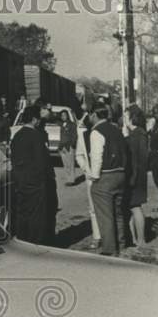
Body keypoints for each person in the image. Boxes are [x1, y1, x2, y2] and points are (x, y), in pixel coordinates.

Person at [80, 104, 127, 256]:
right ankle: (121, 245)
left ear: (94, 115)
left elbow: (97, 156)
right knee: (118, 213)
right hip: (120, 174)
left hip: (105, 176)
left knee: (105, 216)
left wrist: (94, 176)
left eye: (89, 114)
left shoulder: (96, 132)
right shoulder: (116, 129)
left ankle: (109, 250)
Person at [10, 104, 57, 245]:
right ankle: (36, 243)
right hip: (35, 182)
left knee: (22, 212)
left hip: (20, 180)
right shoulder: (36, 136)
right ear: (35, 119)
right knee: (37, 215)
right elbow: (41, 161)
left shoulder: (17, 135)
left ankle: (22, 241)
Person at [74, 106, 101, 247]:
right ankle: (97, 236)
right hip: (90, 177)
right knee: (93, 208)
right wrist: (85, 168)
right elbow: (78, 155)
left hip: (105, 176)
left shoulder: (105, 132)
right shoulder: (84, 136)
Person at [124, 106, 149, 246]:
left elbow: (135, 159)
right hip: (138, 175)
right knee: (133, 207)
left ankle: (140, 240)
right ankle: (136, 239)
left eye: (126, 117)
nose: (124, 120)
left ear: (132, 118)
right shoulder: (140, 133)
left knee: (135, 207)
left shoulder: (136, 135)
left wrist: (132, 178)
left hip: (135, 177)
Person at [58, 109, 78, 185]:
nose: (63, 117)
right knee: (65, 164)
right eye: (62, 115)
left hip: (69, 146)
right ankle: (67, 179)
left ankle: (71, 180)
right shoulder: (60, 124)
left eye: (65, 115)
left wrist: (72, 145)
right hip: (62, 147)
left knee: (71, 164)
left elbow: (75, 136)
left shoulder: (72, 124)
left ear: (68, 116)